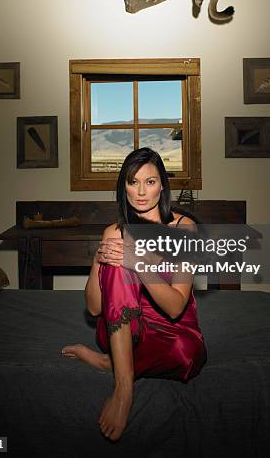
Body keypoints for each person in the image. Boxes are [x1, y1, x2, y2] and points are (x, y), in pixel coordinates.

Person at [61, 147, 207, 441]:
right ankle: (124, 388)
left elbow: (176, 307)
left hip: (173, 333)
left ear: (162, 186)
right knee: (117, 262)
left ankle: (110, 362)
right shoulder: (113, 232)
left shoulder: (184, 229)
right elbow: (93, 309)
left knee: (186, 354)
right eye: (133, 181)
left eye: (150, 182)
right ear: (123, 186)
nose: (141, 191)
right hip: (123, 327)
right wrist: (97, 261)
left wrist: (138, 262)